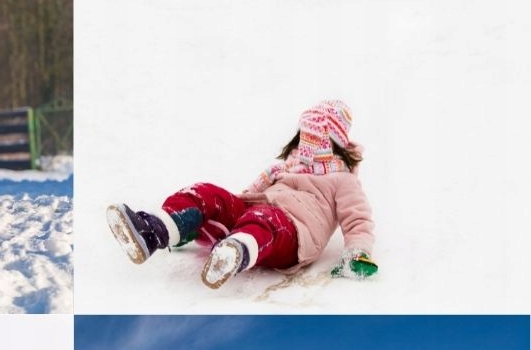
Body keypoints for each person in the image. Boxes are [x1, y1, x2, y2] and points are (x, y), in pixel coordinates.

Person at [106, 100, 377, 288]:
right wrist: (220, 211)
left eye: (315, 136)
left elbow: (358, 221)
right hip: (256, 210)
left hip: (294, 233)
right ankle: (156, 232)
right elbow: (250, 194)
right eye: (305, 134)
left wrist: (357, 253)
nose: (307, 142)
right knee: (207, 193)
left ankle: (235, 252)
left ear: (333, 143)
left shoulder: (343, 179)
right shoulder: (287, 167)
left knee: (265, 219)